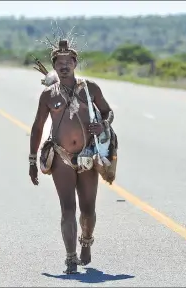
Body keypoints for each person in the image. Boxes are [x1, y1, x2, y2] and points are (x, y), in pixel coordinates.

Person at [29, 39, 118, 274]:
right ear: (54, 67)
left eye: (69, 61)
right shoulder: (48, 95)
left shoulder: (90, 88)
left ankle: (86, 241)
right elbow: (38, 127)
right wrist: (31, 160)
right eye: (60, 62)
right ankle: (70, 257)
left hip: (88, 156)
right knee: (67, 208)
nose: (64, 66)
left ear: (75, 63)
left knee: (88, 209)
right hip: (61, 157)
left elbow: (108, 113)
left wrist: (102, 125)